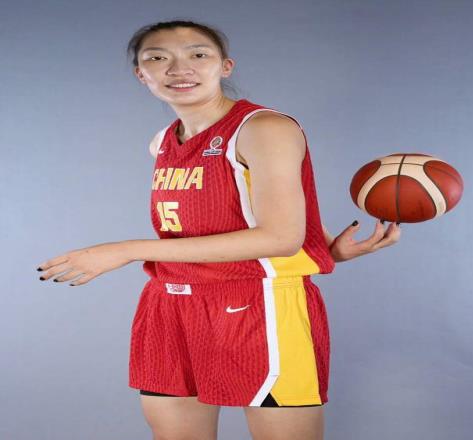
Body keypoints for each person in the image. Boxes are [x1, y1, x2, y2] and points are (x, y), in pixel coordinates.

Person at [36, 19, 401, 440]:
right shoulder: (162, 141)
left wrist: (126, 249)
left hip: (259, 303)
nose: (179, 68)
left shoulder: (264, 129)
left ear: (225, 66)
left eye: (198, 54)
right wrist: (325, 247)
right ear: (142, 74)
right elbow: (244, 214)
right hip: (173, 303)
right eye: (158, 58)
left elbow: (281, 238)